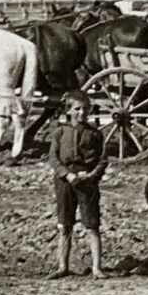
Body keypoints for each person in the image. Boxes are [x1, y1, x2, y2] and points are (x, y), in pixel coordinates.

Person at [48, 90, 108, 280]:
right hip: (65, 181)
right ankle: (62, 266)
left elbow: (103, 159)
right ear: (69, 111)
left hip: (87, 182)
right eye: (77, 109)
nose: (82, 113)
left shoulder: (95, 134)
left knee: (92, 224)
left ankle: (97, 268)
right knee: (65, 224)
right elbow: (53, 159)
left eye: (85, 109)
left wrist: (91, 176)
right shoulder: (60, 133)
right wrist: (67, 175)